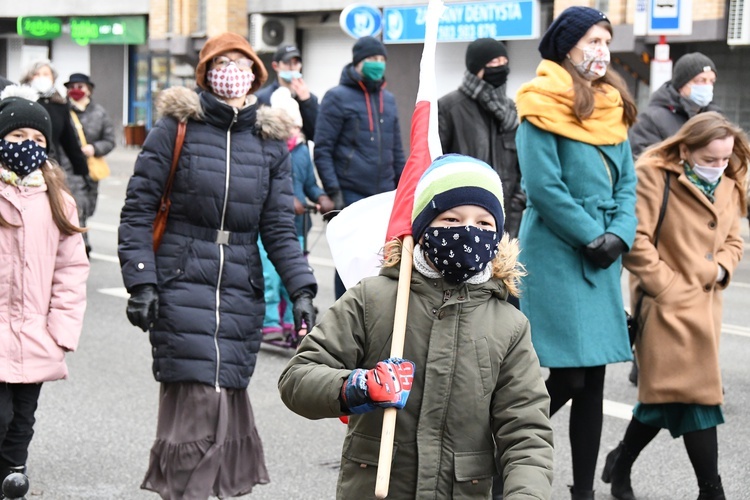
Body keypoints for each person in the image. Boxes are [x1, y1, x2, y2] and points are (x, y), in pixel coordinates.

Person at [279, 154, 554, 499]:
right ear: (423, 228)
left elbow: (526, 431)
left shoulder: (509, 325)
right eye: (451, 218)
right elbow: (297, 379)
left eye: (484, 224)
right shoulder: (374, 299)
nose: (467, 232)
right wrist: (357, 386)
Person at [117, 32, 318, 499]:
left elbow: (279, 230)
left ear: (255, 75)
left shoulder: (269, 143)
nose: (232, 72)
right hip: (181, 276)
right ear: (206, 73)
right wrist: (142, 282)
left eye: (241, 64)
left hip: (239, 285)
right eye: (222, 63)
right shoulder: (175, 128)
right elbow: (139, 209)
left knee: (226, 391)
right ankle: (187, 491)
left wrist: (301, 290)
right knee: (197, 394)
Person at [514, 7, 638, 499]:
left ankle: (582, 490)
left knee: (596, 379)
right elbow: (543, 186)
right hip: (559, 251)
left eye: (606, 40)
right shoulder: (538, 102)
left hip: (604, 253)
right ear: (566, 47)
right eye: (591, 40)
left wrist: (618, 235)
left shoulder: (612, 104)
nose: (601, 50)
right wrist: (591, 236)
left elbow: (628, 183)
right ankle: (500, 446)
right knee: (570, 375)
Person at [601, 112, 748, 500]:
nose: (719, 167)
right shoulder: (653, 175)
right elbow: (637, 238)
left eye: (725, 159)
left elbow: (734, 240)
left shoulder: (730, 185)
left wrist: (720, 270)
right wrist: (665, 285)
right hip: (664, 307)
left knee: (667, 397)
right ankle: (711, 491)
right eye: (711, 158)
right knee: (698, 396)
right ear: (685, 149)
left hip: (705, 306)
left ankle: (621, 461)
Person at [0, 87, 89, 488]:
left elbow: (70, 270)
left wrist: (60, 332)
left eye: (37, 140)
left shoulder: (57, 198)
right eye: (17, 137)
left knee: (22, 417)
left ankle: (12, 479)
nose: (27, 146)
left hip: (36, 331)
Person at [314, 35, 406, 298]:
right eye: (371, 59)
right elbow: (323, 149)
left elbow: (396, 149)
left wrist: (403, 187)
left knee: (381, 260)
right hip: (350, 193)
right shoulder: (336, 97)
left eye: (381, 60)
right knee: (349, 259)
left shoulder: (387, 99)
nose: (377, 64)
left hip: (383, 195)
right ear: (357, 62)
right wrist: (334, 190)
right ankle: (343, 316)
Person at [259, 87, 333, 340]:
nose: (290, 130)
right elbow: (263, 184)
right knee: (269, 277)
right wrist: (288, 200)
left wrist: (321, 197)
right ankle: (270, 322)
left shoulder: (302, 151)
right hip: (270, 226)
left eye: (293, 125)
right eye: (285, 124)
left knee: (291, 278)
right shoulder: (267, 148)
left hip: (299, 227)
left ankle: (293, 322)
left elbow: (309, 184)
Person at [438, 37, 525, 238]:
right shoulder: (449, 108)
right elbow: (435, 164)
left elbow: (521, 168)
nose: (501, 68)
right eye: (494, 63)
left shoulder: (512, 109)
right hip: (464, 218)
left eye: (504, 62)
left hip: (507, 219)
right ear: (476, 67)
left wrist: (517, 204)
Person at [629, 53, 720, 159]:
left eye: (711, 81)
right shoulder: (651, 119)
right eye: (701, 80)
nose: (707, 86)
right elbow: (643, 162)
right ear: (682, 84)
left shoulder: (715, 116)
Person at [64, 73, 116, 255]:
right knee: (77, 207)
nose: (75, 90)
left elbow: (110, 140)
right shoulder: (62, 110)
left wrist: (95, 148)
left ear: (89, 90)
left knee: (88, 207)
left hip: (91, 170)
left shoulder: (99, 113)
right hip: (68, 169)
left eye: (80, 86)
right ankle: (81, 246)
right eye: (72, 87)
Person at [19, 60, 89, 180]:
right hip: (23, 163)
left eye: (46, 74)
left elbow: (68, 138)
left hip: (52, 165)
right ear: (28, 77)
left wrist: (81, 168)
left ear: (53, 78)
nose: (41, 78)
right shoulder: (20, 102)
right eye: (37, 74)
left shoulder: (59, 104)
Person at [255, 44, 319, 141]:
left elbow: (316, 134)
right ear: (275, 66)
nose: (292, 68)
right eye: (287, 63)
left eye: (296, 63)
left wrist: (306, 102)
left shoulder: (309, 98)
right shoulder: (262, 97)